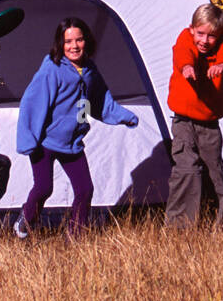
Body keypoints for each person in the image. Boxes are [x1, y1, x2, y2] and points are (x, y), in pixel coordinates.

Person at [14, 17, 138, 238]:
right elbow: (32, 102)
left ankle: (75, 235)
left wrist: (124, 116)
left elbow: (100, 99)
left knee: (85, 189)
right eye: (68, 41)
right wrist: (28, 140)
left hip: (72, 144)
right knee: (44, 188)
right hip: (45, 142)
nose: (74, 46)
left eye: (78, 40)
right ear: (60, 44)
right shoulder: (52, 69)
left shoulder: (90, 69)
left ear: (86, 41)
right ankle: (26, 219)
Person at [165, 4, 223, 229]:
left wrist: (222, 65)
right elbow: (183, 53)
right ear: (191, 29)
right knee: (187, 169)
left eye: (212, 36)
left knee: (214, 173)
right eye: (201, 34)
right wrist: (187, 67)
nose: (205, 41)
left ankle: (212, 224)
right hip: (184, 122)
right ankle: (178, 227)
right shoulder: (185, 40)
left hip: (209, 125)